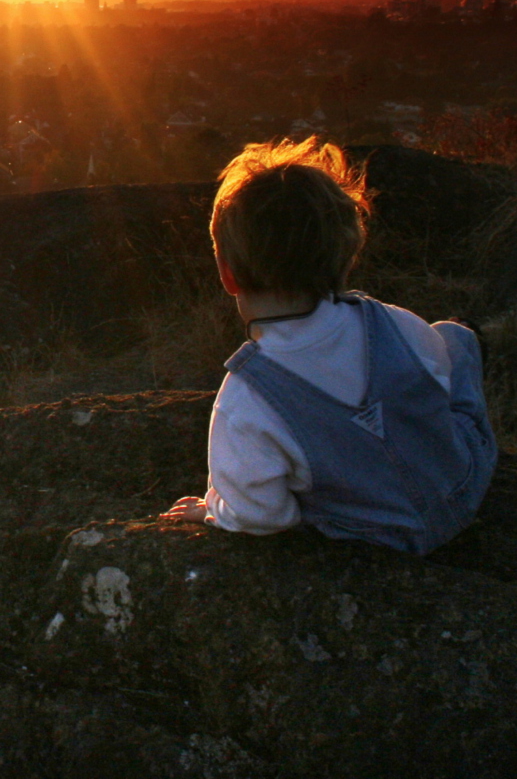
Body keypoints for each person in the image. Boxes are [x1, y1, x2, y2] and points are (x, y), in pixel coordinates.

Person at [160, 137, 497, 555]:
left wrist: (214, 509)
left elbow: (262, 516)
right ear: (345, 256)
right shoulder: (394, 322)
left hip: (373, 537)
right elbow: (437, 390)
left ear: (228, 276)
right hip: (465, 488)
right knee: (452, 338)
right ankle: (467, 334)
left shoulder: (246, 400)